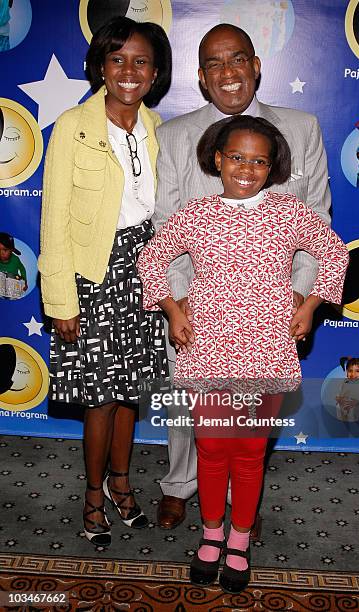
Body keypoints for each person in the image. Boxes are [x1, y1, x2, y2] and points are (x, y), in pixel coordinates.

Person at [138, 115, 349, 593]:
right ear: (217, 159)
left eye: (259, 160)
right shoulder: (195, 213)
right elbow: (152, 257)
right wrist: (173, 309)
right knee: (211, 450)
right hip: (208, 348)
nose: (247, 168)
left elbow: (334, 252)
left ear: (272, 167)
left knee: (250, 453)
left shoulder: (289, 212)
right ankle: (211, 534)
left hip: (265, 351)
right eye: (237, 157)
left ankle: (239, 539)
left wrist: (310, 305)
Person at [153, 22, 331, 533]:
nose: (227, 72)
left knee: (250, 427)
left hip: (270, 312)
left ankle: (240, 499)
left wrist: (299, 297)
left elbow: (317, 221)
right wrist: (181, 303)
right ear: (203, 78)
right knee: (195, 414)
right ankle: (181, 485)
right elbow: (167, 226)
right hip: (198, 306)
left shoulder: (301, 128)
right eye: (214, 64)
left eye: (237, 60)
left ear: (256, 65)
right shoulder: (176, 134)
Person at [38, 16, 171, 547]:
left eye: (140, 61)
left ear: (155, 72)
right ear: (100, 66)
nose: (128, 71)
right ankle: (93, 495)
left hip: (145, 268)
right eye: (117, 59)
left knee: (129, 394)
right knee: (98, 397)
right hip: (91, 274)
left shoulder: (160, 127)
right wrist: (60, 300)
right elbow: (54, 218)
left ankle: (122, 483)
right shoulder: (74, 124)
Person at [336, 357, 359, 422]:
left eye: (357, 371)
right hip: (345, 401)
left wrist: (357, 401)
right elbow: (339, 391)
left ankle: (353, 421)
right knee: (339, 407)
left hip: (357, 403)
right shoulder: (345, 381)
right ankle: (342, 419)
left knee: (352, 411)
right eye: (350, 371)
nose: (353, 374)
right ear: (346, 372)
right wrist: (339, 398)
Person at [0, 231, 28, 298]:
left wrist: (24, 281)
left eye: (5, 250)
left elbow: (22, 269)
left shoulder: (15, 260)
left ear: (11, 250)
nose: (1, 253)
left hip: (13, 286)